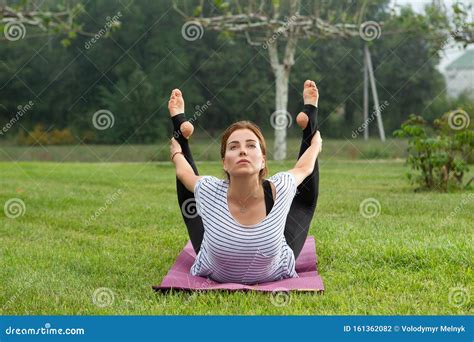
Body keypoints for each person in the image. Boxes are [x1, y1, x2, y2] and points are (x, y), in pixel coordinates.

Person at [168, 80, 322, 284]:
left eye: (251, 146)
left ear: (263, 159)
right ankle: (180, 127)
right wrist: (177, 153)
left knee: (304, 203)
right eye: (233, 147)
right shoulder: (209, 189)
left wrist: (315, 144)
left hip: (277, 266)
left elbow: (304, 168)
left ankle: (309, 120)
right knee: (191, 203)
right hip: (212, 263)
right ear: (224, 162)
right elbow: (184, 174)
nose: (242, 150)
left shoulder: (279, 187)